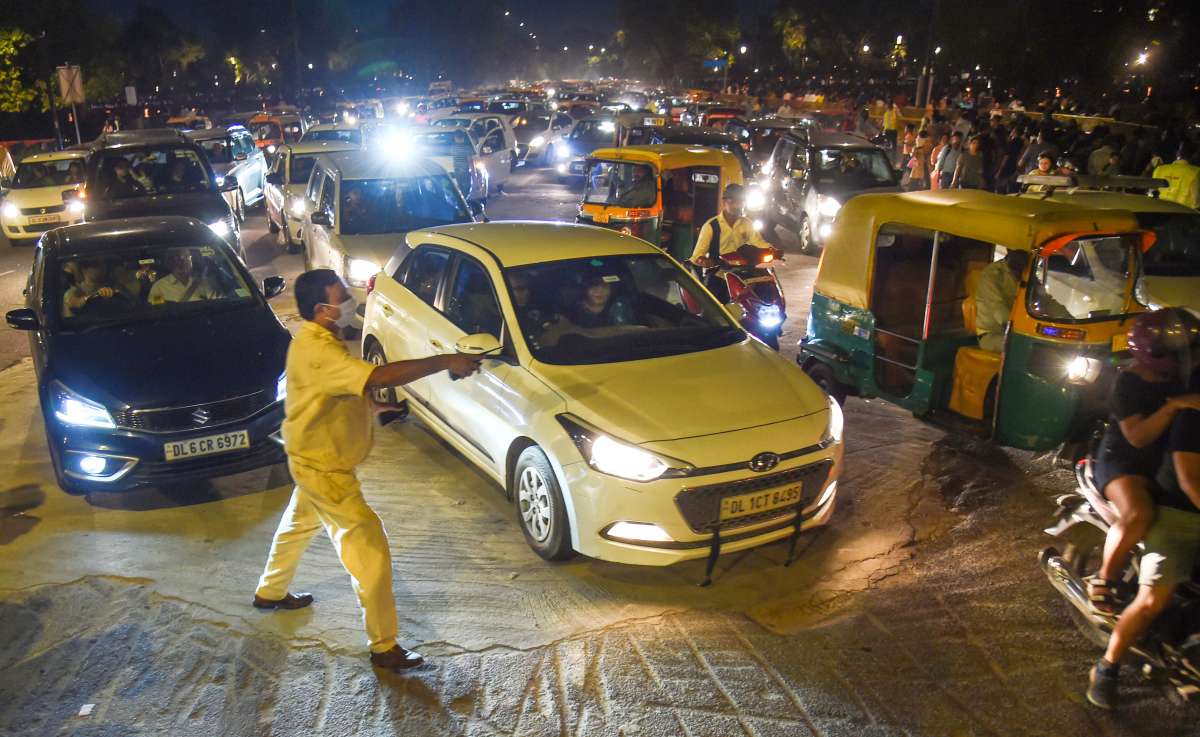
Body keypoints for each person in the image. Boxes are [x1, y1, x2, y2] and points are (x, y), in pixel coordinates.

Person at [253, 269, 481, 672]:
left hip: (309, 459)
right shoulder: (320, 351)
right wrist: (446, 360)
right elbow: (374, 376)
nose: (349, 300)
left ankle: (270, 593)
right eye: (341, 295)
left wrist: (373, 408)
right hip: (325, 469)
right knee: (370, 552)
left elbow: (330, 395)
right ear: (323, 310)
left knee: (297, 526)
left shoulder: (312, 341)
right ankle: (384, 647)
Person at [1088, 355, 1200, 709]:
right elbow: (1188, 478)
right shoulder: (1192, 414)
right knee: (1152, 600)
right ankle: (1107, 667)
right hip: (1180, 514)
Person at [1087, 311, 1200, 617]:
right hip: (1125, 461)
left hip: (1162, 460)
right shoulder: (1128, 383)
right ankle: (1104, 578)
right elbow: (1137, 437)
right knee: (1140, 514)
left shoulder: (1181, 376)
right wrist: (1174, 406)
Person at [689, 183, 773, 267]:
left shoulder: (747, 223)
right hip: (718, 272)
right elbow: (696, 256)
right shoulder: (710, 226)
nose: (736, 205)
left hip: (743, 270)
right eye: (732, 201)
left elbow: (758, 242)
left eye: (740, 202)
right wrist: (704, 261)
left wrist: (772, 250)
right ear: (724, 202)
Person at [973, 249, 1028, 352]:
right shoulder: (992, 274)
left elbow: (1045, 300)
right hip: (991, 335)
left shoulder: (1026, 273)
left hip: (1016, 333)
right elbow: (998, 308)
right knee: (1023, 349)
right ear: (1009, 251)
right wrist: (1020, 328)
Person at [148, 249, 217, 304]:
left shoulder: (203, 283)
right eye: (178, 258)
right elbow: (157, 311)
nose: (184, 262)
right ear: (170, 262)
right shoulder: (159, 287)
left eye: (187, 257)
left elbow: (215, 303)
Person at [1152, 143, 1200, 209]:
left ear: (1177, 153)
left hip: (1159, 211)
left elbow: (1152, 193)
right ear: (1194, 155)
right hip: (1182, 215)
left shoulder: (1159, 169)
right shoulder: (1196, 172)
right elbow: (1196, 201)